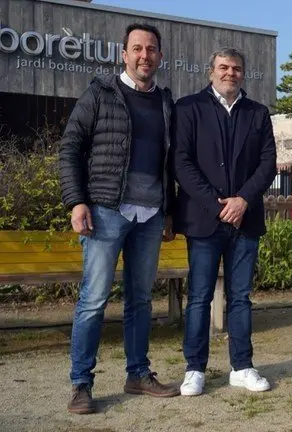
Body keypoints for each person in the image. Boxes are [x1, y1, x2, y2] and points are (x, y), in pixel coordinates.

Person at [59, 23, 179, 414]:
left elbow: (170, 164)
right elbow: (70, 148)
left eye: (152, 49)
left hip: (150, 216)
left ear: (160, 56)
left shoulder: (165, 102)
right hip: (106, 211)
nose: (145, 55)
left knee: (141, 300)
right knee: (93, 301)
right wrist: (77, 201)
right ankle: (81, 384)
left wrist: (169, 213)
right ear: (123, 54)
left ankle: (138, 374)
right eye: (138, 48)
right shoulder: (100, 93)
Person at [173, 48, 277, 396]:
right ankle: (194, 368)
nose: (229, 73)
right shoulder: (188, 109)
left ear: (243, 74)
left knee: (241, 298)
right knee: (200, 296)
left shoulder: (258, 113)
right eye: (223, 67)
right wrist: (216, 205)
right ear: (210, 72)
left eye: (236, 68)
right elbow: (182, 163)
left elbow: (267, 164)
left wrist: (244, 199)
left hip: (245, 221)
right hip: (204, 220)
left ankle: (242, 366)